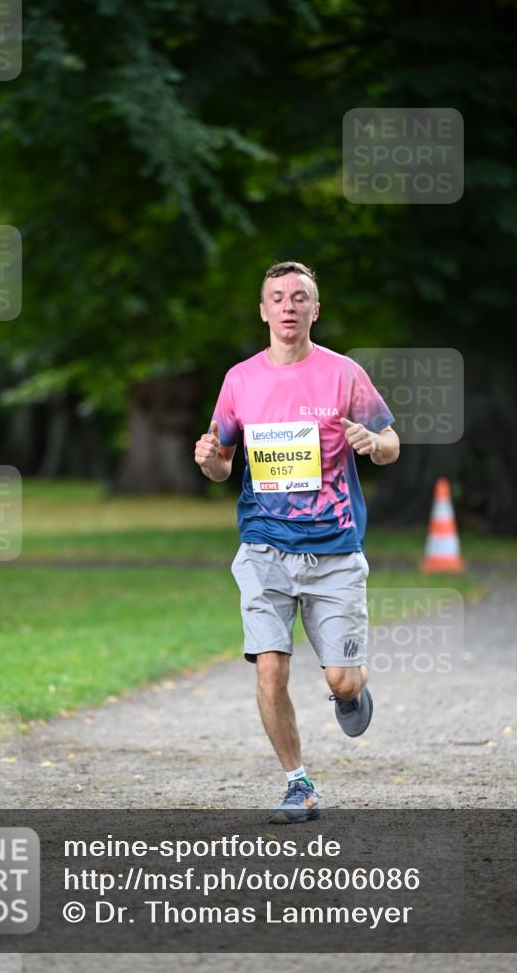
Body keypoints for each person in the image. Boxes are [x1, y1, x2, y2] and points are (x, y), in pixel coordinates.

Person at [194, 261, 399, 823]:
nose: (288, 306)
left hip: (334, 548)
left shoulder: (343, 374)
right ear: (263, 310)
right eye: (278, 297)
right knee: (269, 666)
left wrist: (372, 444)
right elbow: (222, 464)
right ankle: (297, 783)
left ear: (315, 309)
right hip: (263, 545)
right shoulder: (240, 380)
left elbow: (391, 442)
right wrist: (212, 461)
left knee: (342, 677)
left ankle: (350, 691)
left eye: (300, 297)